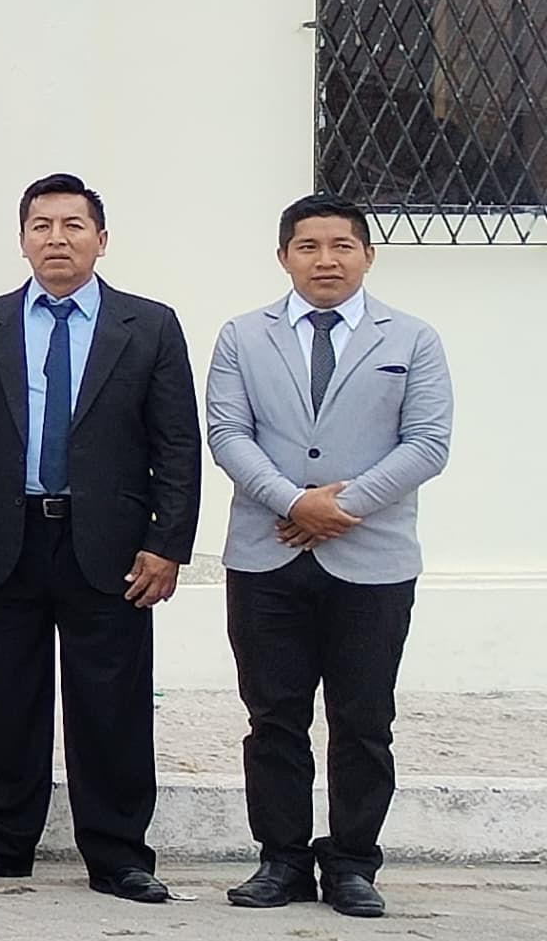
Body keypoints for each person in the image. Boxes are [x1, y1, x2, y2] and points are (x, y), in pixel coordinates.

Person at [0, 173, 201, 903]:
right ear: (22, 240)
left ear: (101, 240)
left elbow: (177, 444)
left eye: (73, 225)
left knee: (111, 704)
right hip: (4, 539)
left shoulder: (148, 325)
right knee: (3, 698)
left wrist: (168, 543)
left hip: (110, 546)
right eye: (41, 226)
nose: (57, 239)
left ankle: (118, 854)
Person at [208, 196, 452, 919]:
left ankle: (352, 862)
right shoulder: (242, 336)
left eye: (342, 245)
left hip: (373, 560)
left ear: (367, 255)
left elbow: (427, 442)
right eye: (309, 246)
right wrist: (292, 501)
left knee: (364, 719)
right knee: (273, 717)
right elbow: (228, 433)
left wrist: (339, 508)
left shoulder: (413, 338)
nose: (326, 260)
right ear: (284, 257)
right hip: (266, 556)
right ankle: (281, 859)